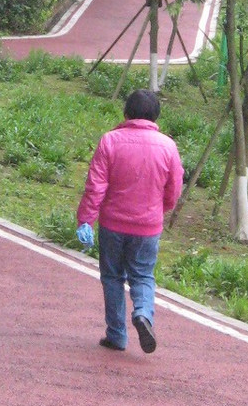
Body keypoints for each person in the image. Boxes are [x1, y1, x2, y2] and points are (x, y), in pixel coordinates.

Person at [76, 88, 184, 354]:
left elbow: (96, 186)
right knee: (143, 275)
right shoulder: (168, 146)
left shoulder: (110, 141)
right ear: (156, 116)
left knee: (112, 277)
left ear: (126, 113)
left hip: (113, 224)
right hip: (148, 226)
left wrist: (86, 219)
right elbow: (174, 188)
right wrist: (161, 209)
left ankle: (116, 335)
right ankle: (143, 313)